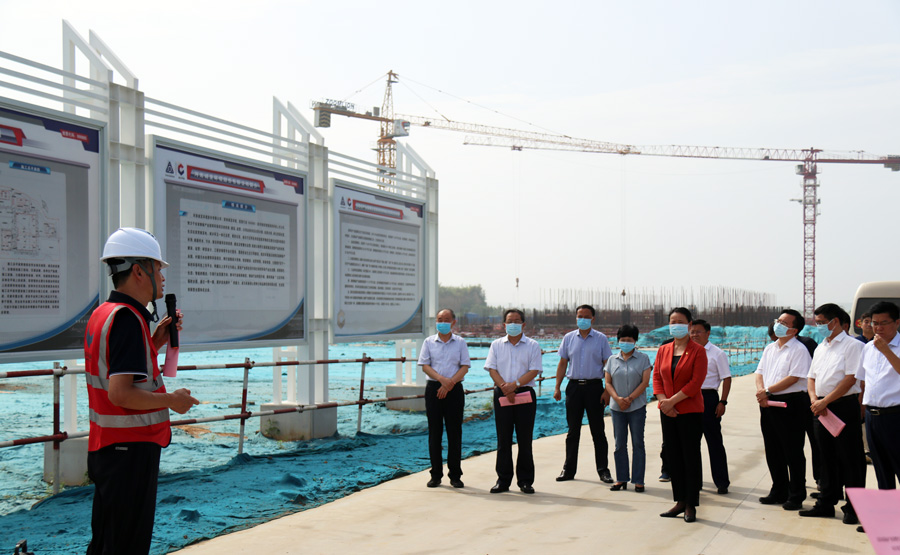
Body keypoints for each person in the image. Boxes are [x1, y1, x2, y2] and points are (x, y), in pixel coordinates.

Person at [85, 228, 199, 555]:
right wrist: (173, 401)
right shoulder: (128, 320)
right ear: (138, 271)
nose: (162, 277)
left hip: (108, 448)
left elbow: (117, 372)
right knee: (126, 546)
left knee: (107, 541)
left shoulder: (104, 314)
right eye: (158, 268)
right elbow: (121, 394)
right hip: (128, 451)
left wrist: (154, 342)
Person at [801, 303, 865, 524]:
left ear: (835, 321)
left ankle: (854, 508)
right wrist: (814, 400)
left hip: (842, 407)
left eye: (821, 322)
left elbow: (851, 378)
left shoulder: (853, 346)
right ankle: (826, 503)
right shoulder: (821, 347)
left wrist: (825, 401)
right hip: (820, 408)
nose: (818, 326)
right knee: (825, 456)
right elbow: (811, 377)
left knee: (850, 458)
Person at [754, 309, 812, 511]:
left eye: (784, 323)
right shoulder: (770, 348)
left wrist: (767, 391)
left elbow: (794, 377)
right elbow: (759, 372)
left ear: (794, 330)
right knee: (772, 449)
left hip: (790, 403)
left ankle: (796, 494)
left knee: (792, 450)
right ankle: (778, 489)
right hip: (768, 402)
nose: (778, 325)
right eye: (778, 320)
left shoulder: (799, 350)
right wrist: (762, 392)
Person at [653, 307, 707, 523]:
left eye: (680, 321)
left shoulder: (698, 351)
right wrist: (663, 402)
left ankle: (691, 503)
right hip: (667, 411)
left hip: (689, 411)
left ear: (689, 325)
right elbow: (657, 377)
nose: (675, 325)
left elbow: (695, 382)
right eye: (672, 321)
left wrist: (672, 402)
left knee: (690, 457)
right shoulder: (663, 350)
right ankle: (680, 501)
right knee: (673, 455)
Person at [553, 304, 613, 484]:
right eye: (580, 316)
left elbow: (608, 365)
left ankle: (603, 470)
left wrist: (607, 390)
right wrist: (557, 386)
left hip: (594, 388)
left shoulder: (601, 339)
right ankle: (568, 470)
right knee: (573, 431)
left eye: (587, 316)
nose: (583, 319)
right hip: (574, 388)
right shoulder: (569, 338)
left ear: (593, 318)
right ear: (576, 318)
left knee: (598, 431)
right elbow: (563, 363)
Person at [485, 309, 543, 494]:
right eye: (509, 321)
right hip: (502, 393)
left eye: (517, 321)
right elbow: (492, 369)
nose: (513, 324)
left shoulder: (532, 345)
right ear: (504, 324)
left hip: (524, 394)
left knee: (525, 439)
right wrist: (505, 387)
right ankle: (503, 480)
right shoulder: (496, 345)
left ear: (523, 324)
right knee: (503, 439)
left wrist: (515, 385)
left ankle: (525, 480)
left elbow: (534, 370)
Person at [418, 308, 471, 488]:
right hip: (434, 388)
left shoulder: (460, 342)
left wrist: (450, 383)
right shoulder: (428, 342)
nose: (442, 322)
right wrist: (442, 380)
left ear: (453, 322)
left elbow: (465, 366)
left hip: (454, 389)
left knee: (454, 433)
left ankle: (455, 475)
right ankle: (435, 474)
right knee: (435, 433)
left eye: (446, 319)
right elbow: (425, 365)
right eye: (439, 319)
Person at [858, 301, 900, 491]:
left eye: (884, 323)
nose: (878, 327)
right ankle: (887, 510)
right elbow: (863, 381)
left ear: (897, 322)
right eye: (875, 323)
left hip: (895, 415)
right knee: (881, 470)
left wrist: (886, 350)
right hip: (872, 416)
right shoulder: (868, 348)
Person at [605, 324, 652, 492]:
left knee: (638, 443)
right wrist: (617, 399)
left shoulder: (643, 359)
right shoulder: (612, 360)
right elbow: (608, 382)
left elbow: (645, 382)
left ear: (635, 341)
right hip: (617, 408)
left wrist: (630, 398)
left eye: (629, 339)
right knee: (619, 444)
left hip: (637, 407)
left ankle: (639, 480)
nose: (625, 342)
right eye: (622, 339)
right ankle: (621, 478)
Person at [689, 319, 731, 494]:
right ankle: (695, 482)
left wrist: (723, 401)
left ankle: (721, 481)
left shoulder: (717, 353)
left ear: (708, 333)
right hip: (689, 398)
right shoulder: (687, 351)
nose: (694, 335)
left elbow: (726, 378)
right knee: (692, 443)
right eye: (692, 331)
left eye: (698, 331)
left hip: (708, 398)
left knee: (714, 441)